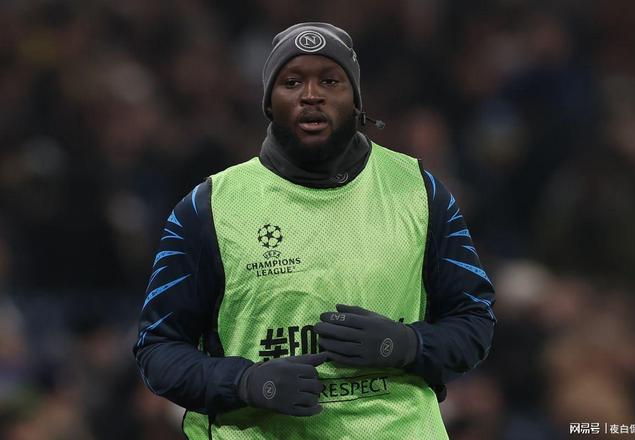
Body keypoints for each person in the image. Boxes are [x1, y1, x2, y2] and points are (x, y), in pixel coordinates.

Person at [134, 22, 496, 439]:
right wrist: (245, 383)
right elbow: (157, 349)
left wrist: (405, 344)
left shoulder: (419, 190)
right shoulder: (207, 208)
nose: (311, 95)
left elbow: (475, 320)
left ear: (355, 100)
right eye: (291, 82)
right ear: (269, 103)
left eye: (329, 80)